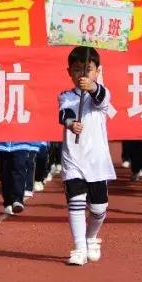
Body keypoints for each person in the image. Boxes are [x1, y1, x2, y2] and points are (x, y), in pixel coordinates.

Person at [57, 47, 115, 266]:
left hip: (97, 159)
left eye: (87, 70)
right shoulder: (65, 96)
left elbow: (100, 99)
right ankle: (79, 247)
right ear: (69, 72)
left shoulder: (103, 93)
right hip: (73, 158)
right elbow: (65, 114)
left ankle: (91, 237)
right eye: (77, 70)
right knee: (76, 202)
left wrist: (92, 87)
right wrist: (71, 124)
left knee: (99, 209)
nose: (82, 74)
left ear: (97, 71)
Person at [0, 140, 39, 214]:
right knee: (5, 173)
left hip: (22, 142)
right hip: (3, 143)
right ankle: (8, 201)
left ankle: (17, 199)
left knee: (19, 167)